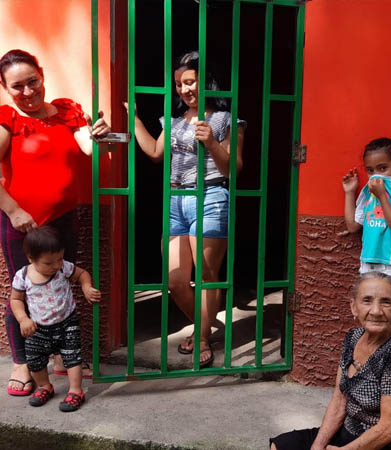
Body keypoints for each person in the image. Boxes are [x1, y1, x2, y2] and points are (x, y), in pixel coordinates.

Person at [0, 49, 110, 396]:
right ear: (5, 88)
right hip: (23, 228)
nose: (29, 92)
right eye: (18, 86)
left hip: (62, 221)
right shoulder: (7, 120)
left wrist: (99, 133)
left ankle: (63, 358)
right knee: (23, 291)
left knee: (62, 285)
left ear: (42, 75)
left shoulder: (66, 112)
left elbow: (89, 148)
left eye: (33, 81)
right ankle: (23, 363)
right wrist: (15, 211)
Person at [129, 51, 245, 368]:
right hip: (174, 200)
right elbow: (155, 152)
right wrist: (135, 120)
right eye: (179, 84)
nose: (184, 89)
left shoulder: (225, 119)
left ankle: (203, 336)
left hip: (210, 197)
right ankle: (205, 325)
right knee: (175, 280)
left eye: (190, 81)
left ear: (206, 81)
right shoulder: (175, 120)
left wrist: (212, 143)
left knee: (207, 277)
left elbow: (233, 169)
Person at [270, 272, 391, 450]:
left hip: (385, 444)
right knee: (281, 445)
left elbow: (390, 429)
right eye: (367, 300)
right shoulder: (353, 338)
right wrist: (317, 447)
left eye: (386, 302)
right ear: (353, 307)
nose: (376, 311)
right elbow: (339, 400)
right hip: (349, 432)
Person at [9, 226, 101, 412]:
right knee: (35, 360)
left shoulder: (63, 268)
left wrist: (86, 287)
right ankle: (44, 387)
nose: (56, 266)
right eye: (49, 263)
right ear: (31, 259)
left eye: (59, 259)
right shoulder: (23, 276)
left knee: (72, 357)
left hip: (67, 322)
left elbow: (82, 273)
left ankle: (76, 391)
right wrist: (23, 319)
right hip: (38, 327)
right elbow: (16, 299)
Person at [342, 138, 391, 303]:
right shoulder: (368, 190)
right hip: (367, 265)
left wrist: (381, 196)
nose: (376, 175)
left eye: (383, 168)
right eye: (370, 170)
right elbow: (352, 226)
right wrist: (350, 192)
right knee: (368, 316)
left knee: (388, 318)